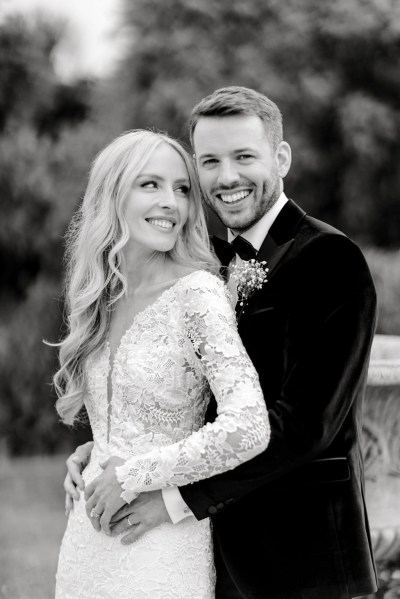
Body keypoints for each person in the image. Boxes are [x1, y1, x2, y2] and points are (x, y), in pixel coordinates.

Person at [65, 87, 378, 599]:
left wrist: (171, 497)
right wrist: (107, 448)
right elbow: (189, 393)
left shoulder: (329, 259)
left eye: (244, 157)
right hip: (210, 550)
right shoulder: (203, 262)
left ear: (281, 158)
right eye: (209, 161)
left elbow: (305, 425)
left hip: (297, 557)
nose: (226, 177)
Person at [53, 128, 270, 599]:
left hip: (158, 544)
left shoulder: (196, 294)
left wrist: (132, 473)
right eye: (150, 185)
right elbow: (130, 414)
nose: (171, 202)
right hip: (85, 540)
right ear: (113, 195)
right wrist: (94, 451)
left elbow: (250, 425)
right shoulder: (100, 296)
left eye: (182, 189)